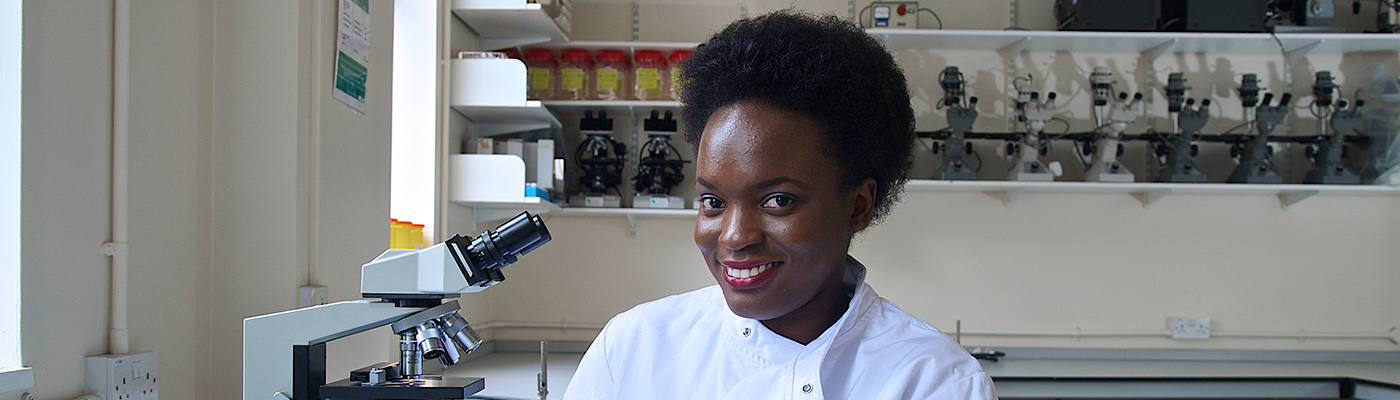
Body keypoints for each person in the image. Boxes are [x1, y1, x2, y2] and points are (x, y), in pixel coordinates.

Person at [562, 10, 996, 399]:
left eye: (777, 201)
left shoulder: (934, 382)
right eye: (713, 201)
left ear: (858, 206)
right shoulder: (634, 349)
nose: (734, 236)